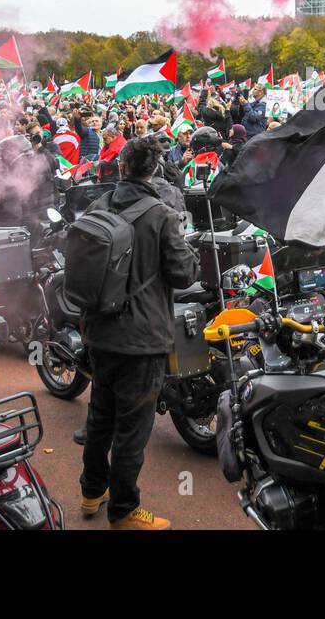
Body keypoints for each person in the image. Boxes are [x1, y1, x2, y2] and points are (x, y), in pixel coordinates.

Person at [79, 136, 197, 530]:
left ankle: (91, 491)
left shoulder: (99, 205)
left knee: (100, 416)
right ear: (156, 170)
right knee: (132, 428)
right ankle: (124, 510)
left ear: (123, 167)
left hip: (99, 332)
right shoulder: (162, 215)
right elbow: (183, 274)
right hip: (142, 339)